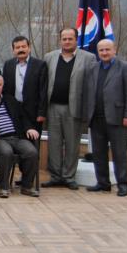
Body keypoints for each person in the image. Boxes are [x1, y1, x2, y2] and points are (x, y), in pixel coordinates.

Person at [42, 28, 96, 189]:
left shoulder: (89, 58)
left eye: (70, 38)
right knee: (54, 144)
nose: (67, 41)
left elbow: (92, 86)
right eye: (64, 39)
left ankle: (68, 177)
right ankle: (55, 176)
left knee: (72, 145)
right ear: (60, 40)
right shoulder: (49, 57)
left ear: (76, 40)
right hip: (53, 107)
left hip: (74, 108)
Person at [81, 39, 127, 196]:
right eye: (101, 50)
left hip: (117, 118)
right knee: (99, 154)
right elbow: (87, 93)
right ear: (98, 52)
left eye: (107, 49)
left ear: (114, 50)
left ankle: (123, 184)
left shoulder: (125, 67)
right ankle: (103, 183)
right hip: (96, 118)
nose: (104, 53)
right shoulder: (93, 68)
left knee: (119, 154)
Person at [2, 36, 47, 133]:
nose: (21, 49)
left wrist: (42, 113)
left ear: (29, 48)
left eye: (23, 46)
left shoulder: (40, 65)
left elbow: (43, 90)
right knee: (16, 137)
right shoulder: (8, 64)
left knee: (33, 138)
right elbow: (5, 89)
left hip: (33, 111)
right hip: (14, 110)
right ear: (13, 50)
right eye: (17, 47)